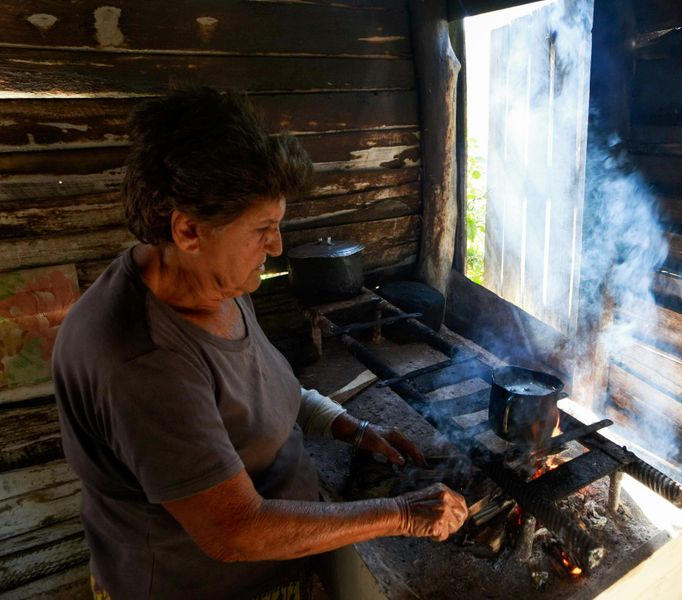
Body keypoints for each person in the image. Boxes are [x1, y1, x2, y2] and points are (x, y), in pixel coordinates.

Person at [52, 87, 468, 600]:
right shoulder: (144, 363)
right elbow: (236, 531)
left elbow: (268, 389)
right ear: (188, 229)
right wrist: (403, 514)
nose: (276, 245)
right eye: (263, 229)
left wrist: (354, 428)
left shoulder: (210, 279)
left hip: (270, 567)